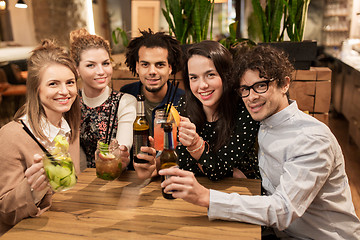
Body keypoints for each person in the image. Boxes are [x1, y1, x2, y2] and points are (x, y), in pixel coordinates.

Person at [159, 45, 360, 239]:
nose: (251, 97)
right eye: (245, 89)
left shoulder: (311, 138)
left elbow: (283, 210)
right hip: (276, 231)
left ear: (284, 84)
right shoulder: (264, 122)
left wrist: (206, 196)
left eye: (261, 86)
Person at [0, 40, 81, 235]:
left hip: (64, 228)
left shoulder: (68, 127)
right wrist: (33, 188)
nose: (65, 91)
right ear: (36, 89)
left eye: (70, 82)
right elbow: (5, 213)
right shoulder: (11, 135)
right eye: (53, 84)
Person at [176, 40, 260, 181]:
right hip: (199, 188)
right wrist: (227, 171)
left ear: (226, 75)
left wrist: (196, 147)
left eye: (210, 75)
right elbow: (184, 164)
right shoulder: (185, 104)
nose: (202, 85)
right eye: (194, 78)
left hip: (243, 192)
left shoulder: (244, 109)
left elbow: (217, 171)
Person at [70, 28, 140, 171]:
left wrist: (121, 154)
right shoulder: (70, 102)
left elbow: (122, 149)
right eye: (91, 65)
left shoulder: (125, 102)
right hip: (80, 179)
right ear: (76, 69)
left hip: (115, 177)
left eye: (106, 63)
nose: (101, 71)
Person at [121, 29, 185, 137]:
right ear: (137, 67)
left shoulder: (183, 99)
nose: (152, 72)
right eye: (145, 64)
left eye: (160, 65)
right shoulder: (126, 94)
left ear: (170, 68)